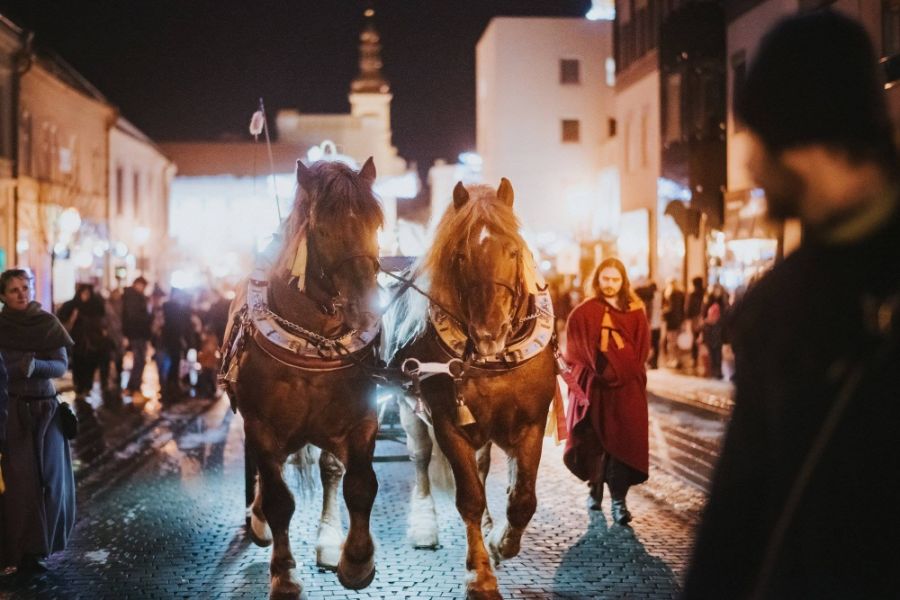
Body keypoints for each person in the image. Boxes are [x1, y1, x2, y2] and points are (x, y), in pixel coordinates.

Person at [682, 11, 900, 599]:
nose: (750, 163)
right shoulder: (777, 306)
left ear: (803, 137)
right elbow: (738, 516)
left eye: (758, 138)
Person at [563, 257, 650, 525]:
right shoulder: (584, 312)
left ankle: (619, 502)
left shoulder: (636, 311)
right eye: (606, 279)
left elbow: (642, 348)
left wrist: (624, 369)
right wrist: (591, 374)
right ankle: (595, 490)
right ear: (598, 280)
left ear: (623, 281)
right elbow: (575, 352)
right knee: (596, 441)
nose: (610, 284)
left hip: (627, 390)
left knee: (624, 443)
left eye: (615, 279)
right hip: (596, 388)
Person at [0, 269, 76, 574]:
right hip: (12, 412)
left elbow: (59, 365)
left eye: (25, 287)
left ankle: (41, 547)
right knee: (20, 486)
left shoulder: (46, 323)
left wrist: (36, 366)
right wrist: (17, 368)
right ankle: (21, 551)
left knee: (51, 482)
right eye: (14, 289)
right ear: (3, 296)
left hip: (46, 412)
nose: (21, 293)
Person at [57, 283, 108, 399]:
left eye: (87, 294)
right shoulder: (72, 305)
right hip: (78, 341)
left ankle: (87, 387)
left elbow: (102, 320)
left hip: (93, 341)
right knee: (78, 363)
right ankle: (79, 387)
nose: (85, 296)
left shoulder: (95, 305)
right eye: (83, 293)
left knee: (90, 364)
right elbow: (62, 320)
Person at [121, 276, 152, 395]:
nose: (143, 288)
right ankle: (133, 386)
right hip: (137, 333)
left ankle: (134, 385)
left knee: (140, 360)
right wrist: (147, 318)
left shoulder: (137, 297)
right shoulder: (133, 297)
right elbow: (132, 317)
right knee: (139, 360)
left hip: (139, 333)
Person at [661, 278, 685, 368]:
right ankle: (678, 359)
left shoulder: (671, 294)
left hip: (671, 321)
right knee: (677, 342)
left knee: (671, 342)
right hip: (678, 321)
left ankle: (673, 359)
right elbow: (683, 309)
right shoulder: (681, 294)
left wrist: (663, 312)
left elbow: (670, 309)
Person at [686, 277, 705, 368]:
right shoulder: (705, 292)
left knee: (695, 338)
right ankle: (704, 358)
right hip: (704, 318)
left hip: (695, 318)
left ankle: (694, 358)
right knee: (704, 338)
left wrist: (688, 318)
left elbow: (688, 308)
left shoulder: (692, 294)